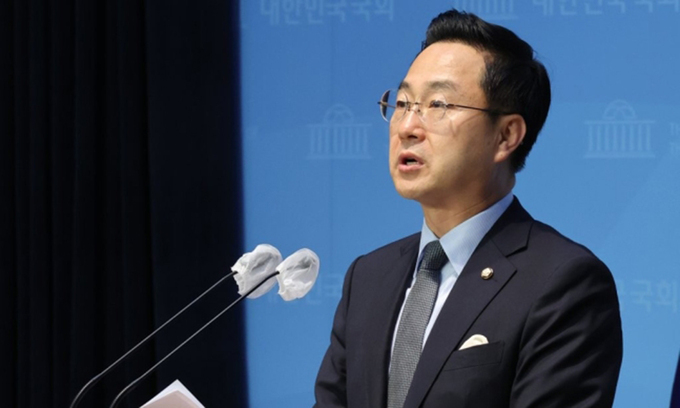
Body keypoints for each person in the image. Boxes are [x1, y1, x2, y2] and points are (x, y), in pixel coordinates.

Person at [314, 8, 623, 408]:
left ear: (506, 135)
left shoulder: (563, 283)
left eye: (438, 104)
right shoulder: (368, 278)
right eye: (403, 103)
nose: (407, 127)